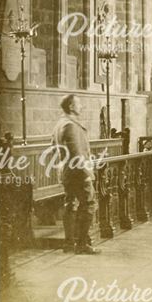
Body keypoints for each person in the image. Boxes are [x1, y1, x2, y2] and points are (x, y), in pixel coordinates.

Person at [51, 94, 98, 255]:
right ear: (71, 106)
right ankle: (82, 243)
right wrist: (87, 173)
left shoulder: (60, 124)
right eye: (79, 104)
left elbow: (53, 148)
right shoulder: (70, 125)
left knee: (70, 204)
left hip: (66, 171)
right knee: (89, 203)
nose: (81, 106)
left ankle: (69, 243)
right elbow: (77, 153)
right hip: (78, 171)